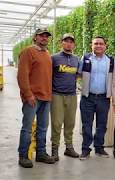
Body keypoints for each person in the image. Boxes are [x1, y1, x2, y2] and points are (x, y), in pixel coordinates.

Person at [17, 28, 56, 168]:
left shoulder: (46, 53)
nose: (44, 38)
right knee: (27, 127)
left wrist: (49, 95)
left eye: (46, 36)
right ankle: (23, 155)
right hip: (33, 98)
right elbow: (22, 75)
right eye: (41, 36)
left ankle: (41, 153)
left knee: (43, 127)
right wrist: (28, 94)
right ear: (35, 37)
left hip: (46, 97)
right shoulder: (28, 52)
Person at [78, 36, 115, 160]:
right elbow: (78, 74)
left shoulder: (110, 60)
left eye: (101, 43)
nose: (98, 46)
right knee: (87, 124)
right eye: (96, 43)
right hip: (88, 97)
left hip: (103, 98)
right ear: (91, 45)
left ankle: (99, 148)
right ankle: (85, 149)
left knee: (102, 124)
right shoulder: (86, 58)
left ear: (105, 46)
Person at [50, 33, 80, 161]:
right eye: (66, 41)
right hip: (57, 95)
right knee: (56, 123)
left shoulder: (76, 59)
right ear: (61, 43)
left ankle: (69, 147)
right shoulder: (54, 58)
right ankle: (54, 149)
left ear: (74, 44)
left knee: (70, 123)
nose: (68, 43)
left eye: (71, 41)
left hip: (72, 95)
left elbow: (78, 75)